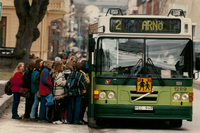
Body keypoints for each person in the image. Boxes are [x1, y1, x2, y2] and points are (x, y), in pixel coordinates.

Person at [67, 60, 88, 125]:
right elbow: (84, 84)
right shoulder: (81, 74)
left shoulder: (71, 73)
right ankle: (76, 120)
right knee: (77, 106)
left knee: (70, 105)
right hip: (79, 92)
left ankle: (70, 119)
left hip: (71, 91)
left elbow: (68, 81)